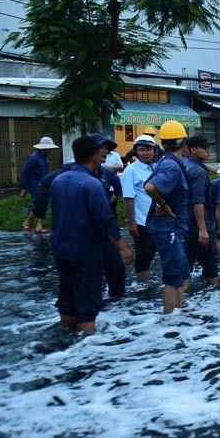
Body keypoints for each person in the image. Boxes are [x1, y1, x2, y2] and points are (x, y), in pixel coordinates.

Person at [49, 136, 134, 334]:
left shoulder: (59, 180)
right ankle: (86, 344)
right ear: (95, 157)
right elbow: (105, 220)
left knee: (67, 296)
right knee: (87, 302)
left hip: (61, 248)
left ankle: (66, 337)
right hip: (86, 251)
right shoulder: (91, 184)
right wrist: (122, 248)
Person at [144, 120, 190, 314]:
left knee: (182, 272)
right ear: (184, 143)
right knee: (173, 275)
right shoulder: (172, 167)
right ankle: (170, 319)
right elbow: (150, 187)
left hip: (172, 228)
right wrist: (164, 205)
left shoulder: (164, 162)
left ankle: (180, 312)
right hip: (167, 228)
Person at [89, 133, 126, 300]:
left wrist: (106, 203)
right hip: (85, 231)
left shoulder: (107, 173)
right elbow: (46, 184)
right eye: (101, 148)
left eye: (106, 148)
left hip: (106, 229)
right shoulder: (75, 171)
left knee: (117, 267)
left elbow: (118, 191)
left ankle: (117, 303)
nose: (105, 151)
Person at [180, 135, 219, 286]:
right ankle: (214, 296)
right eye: (205, 148)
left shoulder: (184, 166)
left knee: (185, 272)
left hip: (184, 225)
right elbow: (198, 201)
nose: (209, 151)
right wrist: (203, 229)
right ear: (193, 150)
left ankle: (181, 299)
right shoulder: (199, 172)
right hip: (201, 226)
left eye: (209, 148)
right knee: (211, 272)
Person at [121, 134, 158, 283]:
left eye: (149, 149)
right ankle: (143, 285)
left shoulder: (156, 167)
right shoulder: (131, 171)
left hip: (158, 218)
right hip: (142, 221)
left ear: (154, 151)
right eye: (142, 150)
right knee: (144, 256)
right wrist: (132, 223)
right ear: (136, 151)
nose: (145, 153)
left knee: (156, 252)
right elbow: (128, 199)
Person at [19, 136, 59, 233]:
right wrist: (23, 188)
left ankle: (38, 226)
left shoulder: (45, 159)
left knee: (45, 202)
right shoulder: (33, 158)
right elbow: (24, 172)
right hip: (34, 185)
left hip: (43, 184)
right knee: (39, 203)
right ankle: (27, 222)